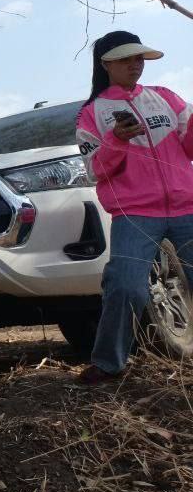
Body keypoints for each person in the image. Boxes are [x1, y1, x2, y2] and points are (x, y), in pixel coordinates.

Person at [75, 30, 193, 385]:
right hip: (135, 213)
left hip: (187, 206)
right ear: (105, 64)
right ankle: (108, 363)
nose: (135, 64)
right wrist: (117, 140)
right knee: (126, 286)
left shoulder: (165, 97)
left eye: (139, 58)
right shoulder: (91, 113)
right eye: (125, 59)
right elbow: (96, 170)